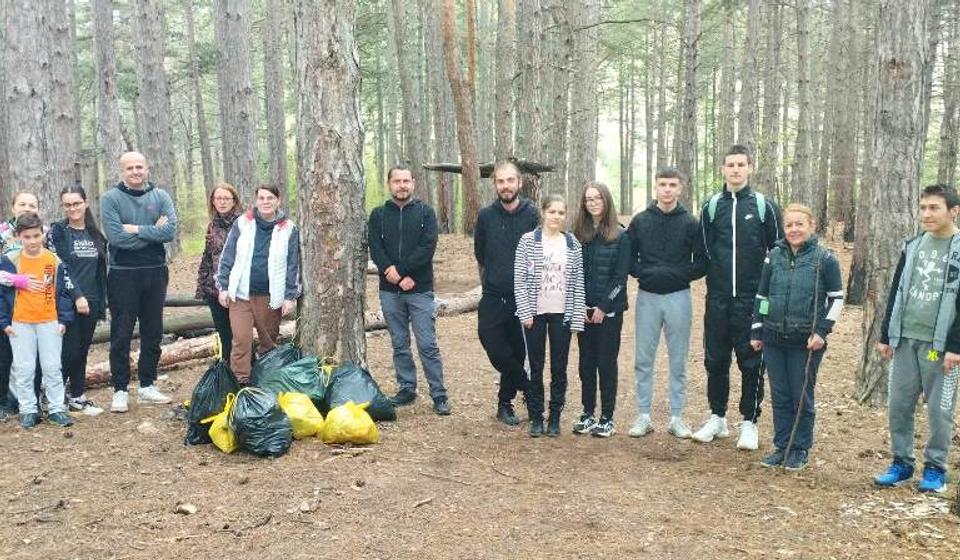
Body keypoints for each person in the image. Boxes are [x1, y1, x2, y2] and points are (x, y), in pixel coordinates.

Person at [693, 144, 783, 450]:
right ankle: (717, 418)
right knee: (715, 360)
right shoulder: (711, 206)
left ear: (749, 168)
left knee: (752, 361)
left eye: (740, 164)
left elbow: (778, 251)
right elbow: (704, 250)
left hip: (752, 300)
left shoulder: (763, 206)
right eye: (730, 164)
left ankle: (749, 423)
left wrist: (769, 296)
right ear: (722, 169)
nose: (735, 169)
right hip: (718, 299)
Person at [874, 184, 960, 493]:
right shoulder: (913, 245)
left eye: (934, 208)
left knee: (939, 409)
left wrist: (955, 346)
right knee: (899, 404)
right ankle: (902, 462)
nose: (926, 214)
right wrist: (886, 334)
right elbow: (896, 289)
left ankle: (936, 468)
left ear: (953, 210)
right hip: (905, 339)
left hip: (940, 347)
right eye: (923, 207)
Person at [750, 204, 843, 471]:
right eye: (789, 225)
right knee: (779, 394)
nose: (794, 230)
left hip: (806, 341)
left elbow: (836, 300)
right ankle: (782, 446)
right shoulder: (774, 256)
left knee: (800, 395)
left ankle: (799, 447)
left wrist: (822, 331)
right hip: (774, 339)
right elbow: (762, 296)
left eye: (799, 224)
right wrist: (758, 330)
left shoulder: (825, 258)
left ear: (811, 225)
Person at [627, 168, 707, 439]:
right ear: (655, 187)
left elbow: (702, 262)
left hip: (679, 298)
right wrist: (643, 273)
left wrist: (678, 274)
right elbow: (628, 257)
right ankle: (644, 415)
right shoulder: (640, 221)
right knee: (644, 359)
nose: (667, 189)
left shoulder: (691, 223)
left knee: (678, 360)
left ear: (680, 188)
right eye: (663, 184)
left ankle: (676, 417)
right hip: (647, 297)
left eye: (673, 184)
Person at [368, 166, 450, 415]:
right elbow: (375, 246)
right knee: (400, 343)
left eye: (406, 181)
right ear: (389, 184)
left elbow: (428, 247)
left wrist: (402, 273)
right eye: (397, 181)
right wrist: (390, 272)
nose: (402, 185)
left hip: (419, 289)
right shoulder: (378, 214)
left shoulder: (425, 213)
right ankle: (406, 388)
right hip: (389, 291)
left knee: (427, 344)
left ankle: (439, 394)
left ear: (413, 183)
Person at [100, 151, 178, 412]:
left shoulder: (161, 196)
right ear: (122, 171)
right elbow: (116, 238)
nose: (135, 171)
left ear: (147, 169)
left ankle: (147, 385)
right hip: (123, 273)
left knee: (153, 331)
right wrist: (152, 231)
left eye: (139, 167)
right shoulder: (111, 199)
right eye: (130, 167)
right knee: (121, 333)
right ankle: (120, 389)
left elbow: (169, 232)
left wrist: (135, 229)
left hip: (155, 271)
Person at [514, 194, 586, 437]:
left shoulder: (572, 244)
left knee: (559, 367)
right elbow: (520, 280)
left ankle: (554, 417)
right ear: (543, 213)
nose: (556, 216)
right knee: (535, 366)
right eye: (552, 211)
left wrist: (576, 318)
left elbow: (578, 283)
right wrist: (525, 311)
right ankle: (536, 416)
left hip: (562, 315)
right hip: (535, 313)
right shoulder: (527, 241)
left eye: (561, 213)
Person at [474, 160, 539, 426]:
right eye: (500, 181)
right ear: (495, 185)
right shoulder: (486, 216)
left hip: (523, 297)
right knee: (493, 344)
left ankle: (505, 403)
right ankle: (529, 386)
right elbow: (480, 252)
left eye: (510, 180)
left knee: (516, 351)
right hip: (493, 294)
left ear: (519, 183)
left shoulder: (532, 214)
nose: (506, 186)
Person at [216, 184, 301, 385]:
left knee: (268, 341)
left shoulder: (289, 228)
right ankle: (241, 381)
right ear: (256, 201)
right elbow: (228, 256)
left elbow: (293, 264)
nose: (265, 202)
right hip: (241, 294)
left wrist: (290, 295)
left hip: (271, 295)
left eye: (270, 198)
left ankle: (264, 380)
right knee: (241, 339)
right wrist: (223, 286)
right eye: (261, 198)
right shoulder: (243, 223)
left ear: (278, 201)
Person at [0, 212, 75, 428]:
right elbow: (3, 293)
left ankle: (56, 409)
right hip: (20, 323)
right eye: (27, 237)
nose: (33, 241)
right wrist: (5, 322)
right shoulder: (11, 260)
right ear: (18, 237)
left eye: (36, 236)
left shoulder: (53, 259)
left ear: (42, 233)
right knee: (24, 368)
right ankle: (28, 409)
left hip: (49, 321)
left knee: (52, 367)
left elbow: (62, 291)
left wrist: (64, 319)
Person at [570, 182, 630, 437]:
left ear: (606, 201)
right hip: (583, 311)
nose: (592, 203)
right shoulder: (578, 235)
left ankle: (607, 417)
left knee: (606, 363)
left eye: (597, 198)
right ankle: (588, 413)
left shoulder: (620, 235)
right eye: (588, 199)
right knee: (586, 363)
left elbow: (620, 277)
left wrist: (603, 307)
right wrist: (581, 305)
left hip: (609, 313)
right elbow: (574, 274)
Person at [48, 185, 109, 416]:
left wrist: (100, 301)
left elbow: (100, 271)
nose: (72, 208)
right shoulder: (58, 232)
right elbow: (60, 267)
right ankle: (51, 397)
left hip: (92, 300)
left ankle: (77, 396)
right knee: (68, 351)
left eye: (76, 203)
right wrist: (77, 296)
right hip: (66, 301)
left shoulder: (95, 234)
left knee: (82, 350)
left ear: (85, 203)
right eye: (67, 204)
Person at [0, 192, 45, 420]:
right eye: (22, 204)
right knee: (6, 354)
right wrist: (16, 280)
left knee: (32, 355)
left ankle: (35, 398)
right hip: (5, 302)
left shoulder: (39, 235)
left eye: (32, 205)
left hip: (35, 304)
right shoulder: (2, 233)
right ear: (13, 206)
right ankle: (8, 400)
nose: (27, 208)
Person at [196, 183, 243, 361]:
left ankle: (246, 373)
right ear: (213, 202)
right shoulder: (212, 226)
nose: (222, 202)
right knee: (224, 334)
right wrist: (202, 286)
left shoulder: (243, 224)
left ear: (234, 201)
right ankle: (227, 374)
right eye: (218, 199)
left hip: (238, 289)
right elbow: (207, 257)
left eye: (226, 198)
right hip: (214, 289)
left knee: (240, 335)